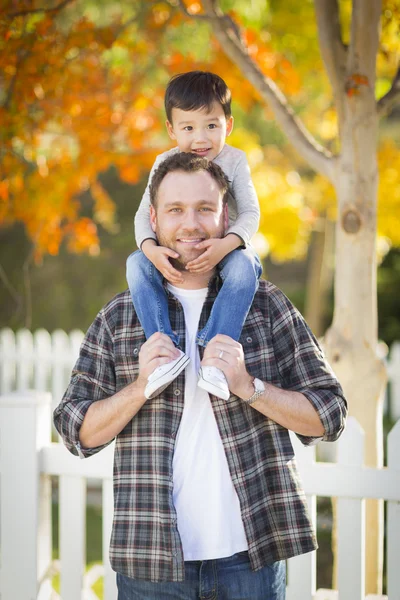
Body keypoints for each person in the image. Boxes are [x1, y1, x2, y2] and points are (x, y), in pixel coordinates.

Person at [54, 153, 347, 600]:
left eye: (204, 209)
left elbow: (330, 414)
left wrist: (250, 387)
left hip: (252, 560)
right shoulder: (120, 316)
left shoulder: (266, 306)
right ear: (153, 219)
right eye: (175, 210)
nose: (190, 224)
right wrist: (139, 388)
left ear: (225, 216)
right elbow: (76, 430)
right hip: (150, 565)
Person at [127, 71, 262, 402]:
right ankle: (163, 349)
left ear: (228, 125)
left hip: (224, 247)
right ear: (172, 130)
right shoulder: (165, 161)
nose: (201, 138)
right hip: (174, 251)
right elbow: (144, 215)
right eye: (189, 128)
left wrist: (226, 246)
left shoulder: (234, 160)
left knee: (247, 267)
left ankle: (215, 357)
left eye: (211, 126)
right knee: (135, 265)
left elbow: (251, 214)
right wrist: (151, 249)